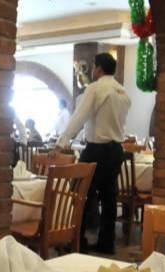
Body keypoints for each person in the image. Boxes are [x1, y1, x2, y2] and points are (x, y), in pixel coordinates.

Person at [56, 53, 131, 254]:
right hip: (116, 150)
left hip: (96, 149)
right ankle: (106, 243)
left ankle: (77, 242)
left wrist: (62, 142)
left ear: (98, 69)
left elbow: (79, 117)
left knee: (80, 194)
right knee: (109, 198)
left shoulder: (95, 88)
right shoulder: (123, 92)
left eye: (94, 66)